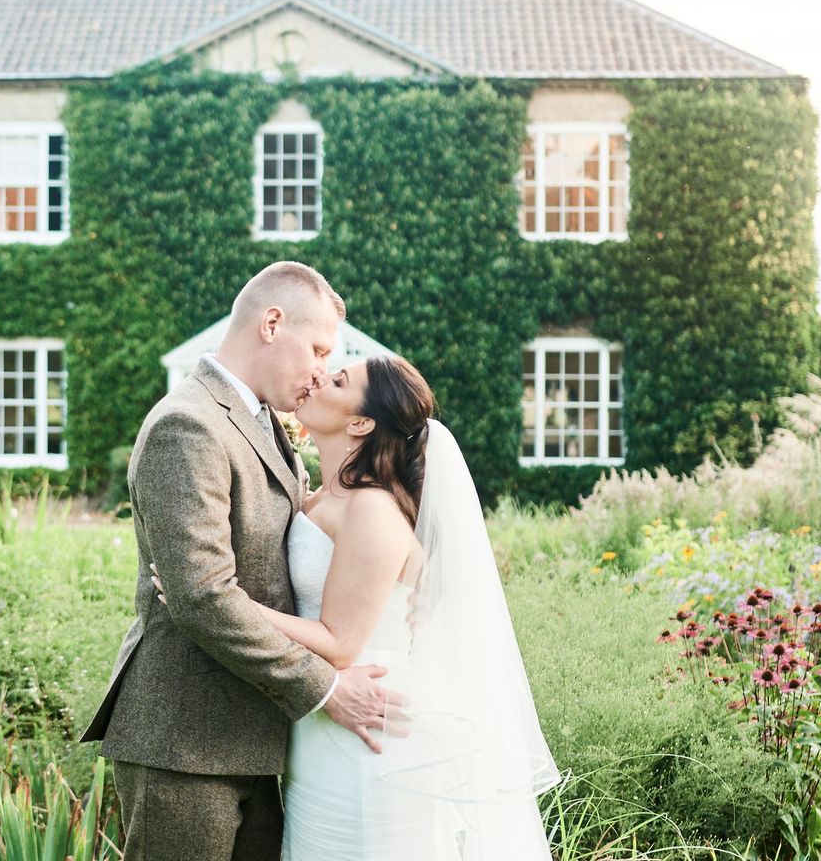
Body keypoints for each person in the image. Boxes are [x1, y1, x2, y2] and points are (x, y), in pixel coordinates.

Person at [153, 353, 563, 859]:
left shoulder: (371, 506)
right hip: (319, 727)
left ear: (362, 421)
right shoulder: (316, 496)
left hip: (370, 733)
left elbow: (341, 643)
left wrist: (214, 599)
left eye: (339, 379)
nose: (321, 374)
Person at [80, 260, 399, 861]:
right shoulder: (188, 424)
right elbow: (201, 596)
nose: (322, 370)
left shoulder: (262, 422)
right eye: (318, 349)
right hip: (184, 740)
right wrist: (325, 688)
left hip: (252, 735)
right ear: (273, 323)